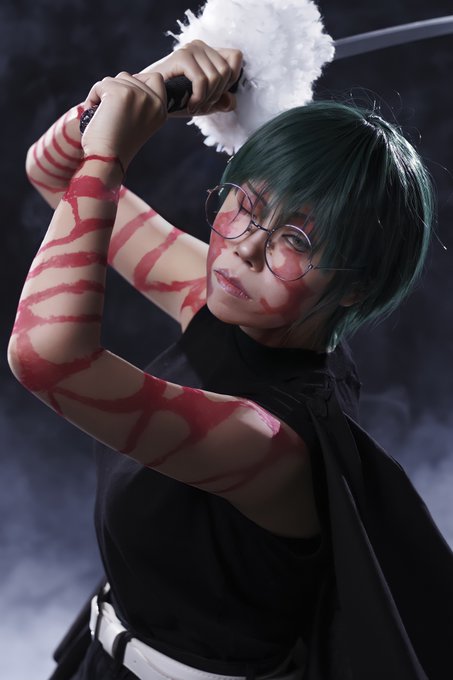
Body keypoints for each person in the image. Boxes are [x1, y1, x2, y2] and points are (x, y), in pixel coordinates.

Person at [8, 40, 451, 680]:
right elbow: (52, 172)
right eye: (246, 203)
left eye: (296, 239)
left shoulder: (266, 441)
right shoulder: (233, 300)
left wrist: (111, 153)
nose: (244, 248)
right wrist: (154, 88)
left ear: (357, 287)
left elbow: (47, 358)